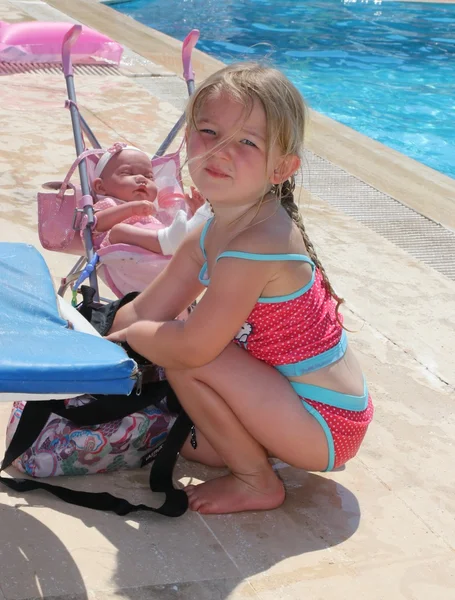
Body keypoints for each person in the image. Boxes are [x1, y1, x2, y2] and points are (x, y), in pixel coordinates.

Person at [107, 62, 374, 515]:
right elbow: (143, 312)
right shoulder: (210, 229)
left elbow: (189, 349)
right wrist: (111, 338)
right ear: (187, 136)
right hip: (292, 402)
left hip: (327, 420)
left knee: (192, 355)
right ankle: (258, 453)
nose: (221, 151)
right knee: (194, 446)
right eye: (209, 131)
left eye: (247, 142)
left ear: (281, 168)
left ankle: (256, 482)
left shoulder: (258, 244)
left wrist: (135, 339)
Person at [90, 143, 210, 255]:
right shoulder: (108, 204)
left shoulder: (154, 212)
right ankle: (169, 241)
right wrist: (131, 209)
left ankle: (200, 221)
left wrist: (195, 211)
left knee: (177, 224)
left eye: (149, 176)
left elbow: (177, 229)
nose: (142, 178)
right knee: (118, 231)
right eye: (127, 173)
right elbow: (96, 225)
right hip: (120, 255)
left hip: (163, 255)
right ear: (100, 187)